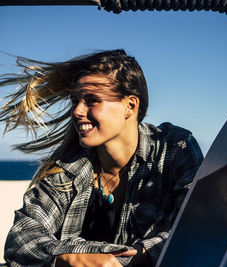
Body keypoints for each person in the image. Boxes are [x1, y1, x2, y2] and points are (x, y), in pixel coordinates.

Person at [0, 49, 203, 267]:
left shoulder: (174, 149)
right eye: (75, 100)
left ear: (130, 106)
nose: (77, 111)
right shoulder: (68, 168)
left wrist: (89, 254)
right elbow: (20, 240)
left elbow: (195, 230)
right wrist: (72, 259)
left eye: (92, 100)